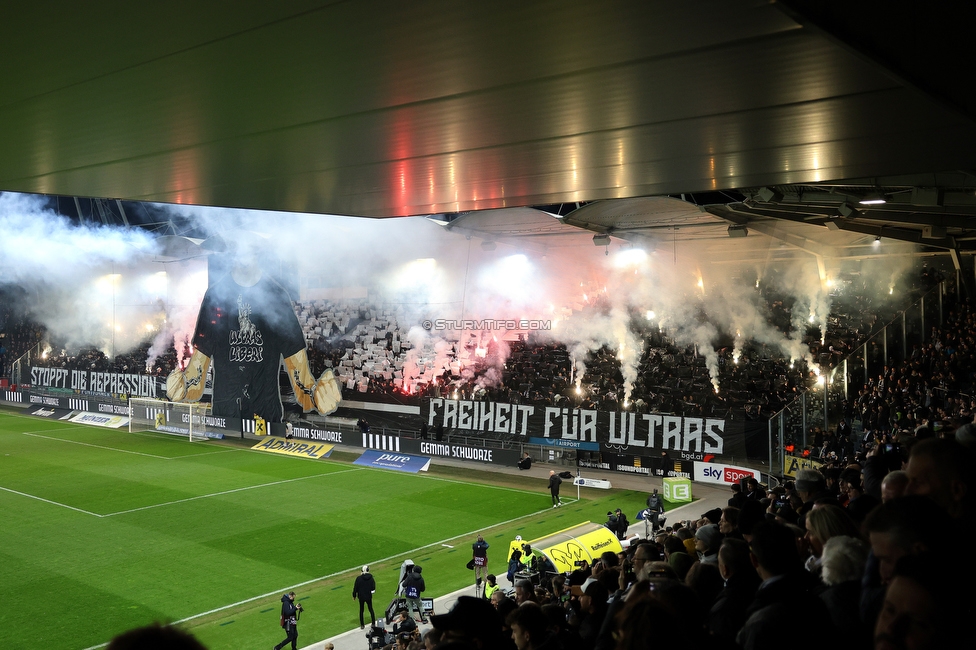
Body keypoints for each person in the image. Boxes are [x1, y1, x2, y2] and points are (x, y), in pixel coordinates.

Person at [166, 234, 341, 422]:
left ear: (258, 251)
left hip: (265, 412)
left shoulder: (276, 297)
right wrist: (185, 385)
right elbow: (201, 356)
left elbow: (295, 358)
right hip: (227, 411)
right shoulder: (216, 296)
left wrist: (313, 394)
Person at [353, 564, 377, 630]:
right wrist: (371, 591)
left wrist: (354, 595)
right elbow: (373, 587)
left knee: (361, 610)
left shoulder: (358, 578)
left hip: (361, 596)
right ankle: (373, 623)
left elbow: (355, 588)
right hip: (368, 596)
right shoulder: (371, 577)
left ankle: (362, 625)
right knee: (371, 609)